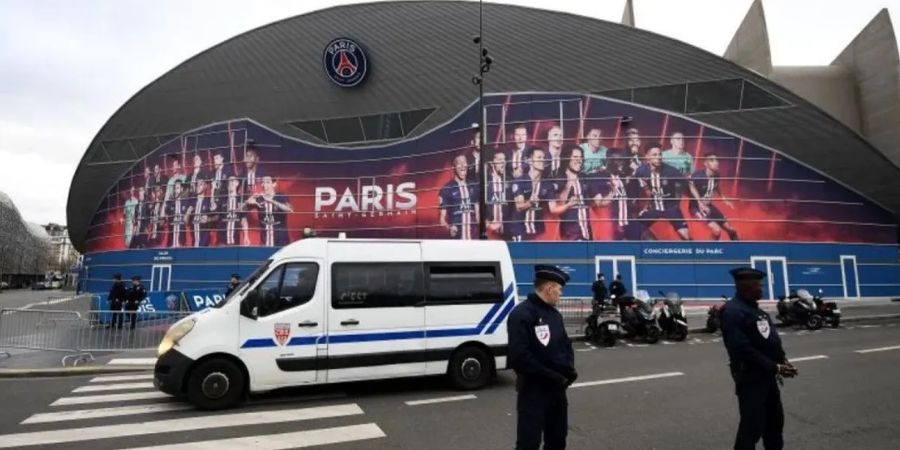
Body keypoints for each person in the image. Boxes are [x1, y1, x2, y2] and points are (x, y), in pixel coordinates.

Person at [721, 267, 797, 450]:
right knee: (752, 429)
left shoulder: (755, 310)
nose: (762, 289)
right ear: (746, 287)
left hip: (768, 376)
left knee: (774, 424)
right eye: (758, 286)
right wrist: (775, 367)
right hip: (750, 378)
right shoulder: (733, 311)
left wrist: (782, 360)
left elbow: (770, 339)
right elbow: (741, 348)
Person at [507, 265, 577, 450]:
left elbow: (565, 345)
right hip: (533, 392)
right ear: (549, 288)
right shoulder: (521, 314)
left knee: (557, 439)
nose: (560, 294)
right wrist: (554, 376)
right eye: (559, 289)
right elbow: (519, 357)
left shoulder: (554, 315)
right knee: (528, 443)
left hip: (557, 391)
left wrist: (570, 370)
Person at [549, 147, 610, 241]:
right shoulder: (559, 178)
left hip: (587, 232)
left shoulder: (585, 178)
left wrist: (612, 192)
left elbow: (600, 203)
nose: (579, 160)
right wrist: (568, 184)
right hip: (569, 233)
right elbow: (558, 206)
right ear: (567, 158)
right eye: (575, 157)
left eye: (581, 157)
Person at [634, 145, 691, 241]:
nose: (658, 157)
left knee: (685, 235)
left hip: (671, 208)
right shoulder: (641, 171)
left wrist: (698, 201)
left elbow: (688, 184)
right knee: (634, 229)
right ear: (647, 157)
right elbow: (637, 184)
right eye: (655, 155)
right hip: (653, 208)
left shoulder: (671, 171)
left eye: (660, 154)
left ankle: (693, 252)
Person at [689, 152, 740, 241]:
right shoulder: (698, 176)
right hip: (696, 208)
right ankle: (711, 251)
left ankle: (739, 250)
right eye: (712, 160)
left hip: (709, 206)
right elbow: (690, 185)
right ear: (705, 164)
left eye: (716, 160)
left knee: (731, 230)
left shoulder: (716, 175)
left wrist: (724, 198)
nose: (716, 162)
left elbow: (716, 186)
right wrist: (699, 202)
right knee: (717, 230)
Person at [508, 149, 554, 241]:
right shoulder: (520, 181)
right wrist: (530, 202)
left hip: (539, 231)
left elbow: (553, 208)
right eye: (539, 157)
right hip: (520, 229)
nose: (542, 160)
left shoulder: (547, 185)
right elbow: (519, 207)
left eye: (544, 158)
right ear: (530, 161)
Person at [439, 154, 479, 240]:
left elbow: (478, 215)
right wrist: (449, 228)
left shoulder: (474, 186)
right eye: (459, 163)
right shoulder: (446, 189)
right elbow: (442, 221)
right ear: (454, 168)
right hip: (457, 241)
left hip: (474, 239)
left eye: (464, 162)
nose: (462, 165)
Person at [247, 175, 293, 247]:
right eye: (263, 182)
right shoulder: (259, 198)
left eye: (268, 182)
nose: (265, 185)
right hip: (264, 241)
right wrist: (250, 199)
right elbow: (241, 210)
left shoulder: (281, 196)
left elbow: (290, 209)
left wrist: (271, 201)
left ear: (274, 184)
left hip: (281, 241)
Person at [487, 150, 509, 236]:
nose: (503, 162)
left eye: (504, 160)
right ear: (492, 163)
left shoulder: (508, 180)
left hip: (507, 231)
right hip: (490, 232)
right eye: (500, 160)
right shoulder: (485, 181)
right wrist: (487, 224)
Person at [164, 180, 191, 248]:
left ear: (181, 189)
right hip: (171, 240)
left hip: (181, 240)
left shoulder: (186, 202)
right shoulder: (170, 203)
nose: (176, 190)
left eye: (178, 188)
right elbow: (166, 214)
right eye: (175, 188)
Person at [188, 177, 213, 247]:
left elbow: (217, 217)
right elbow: (186, 221)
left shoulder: (208, 201)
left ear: (205, 186)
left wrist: (208, 219)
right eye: (197, 185)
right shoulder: (192, 202)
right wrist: (187, 213)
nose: (198, 186)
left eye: (201, 184)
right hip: (194, 241)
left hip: (205, 241)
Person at [543, 125, 566, 192]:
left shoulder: (564, 157)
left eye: (561, 135)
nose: (559, 138)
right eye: (555, 135)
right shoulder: (542, 156)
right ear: (548, 138)